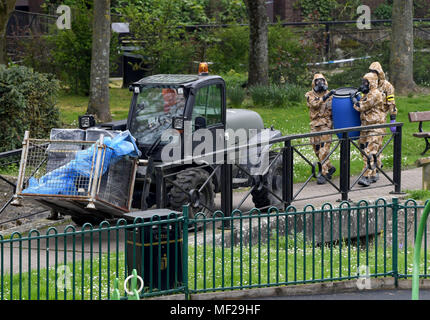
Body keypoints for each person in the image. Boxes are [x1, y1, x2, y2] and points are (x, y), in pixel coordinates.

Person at [351, 72, 385, 187]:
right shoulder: (367, 93)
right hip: (365, 127)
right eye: (363, 82)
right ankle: (375, 170)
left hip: (375, 127)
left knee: (370, 152)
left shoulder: (375, 94)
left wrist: (354, 101)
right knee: (363, 149)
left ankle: (366, 176)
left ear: (372, 82)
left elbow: (361, 107)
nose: (364, 84)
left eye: (366, 82)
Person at [368, 62, 397, 182]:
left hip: (380, 119)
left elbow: (391, 102)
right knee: (371, 146)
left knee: (375, 146)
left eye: (375, 73)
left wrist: (393, 118)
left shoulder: (387, 86)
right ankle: (377, 165)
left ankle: (372, 172)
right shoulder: (369, 84)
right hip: (368, 119)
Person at [305, 73, 336, 185]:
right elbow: (314, 105)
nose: (320, 83)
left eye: (322, 80)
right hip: (315, 125)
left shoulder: (331, 95)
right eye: (317, 81)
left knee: (324, 150)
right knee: (317, 149)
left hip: (326, 125)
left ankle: (324, 173)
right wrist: (326, 97)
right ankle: (330, 167)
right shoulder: (309, 95)